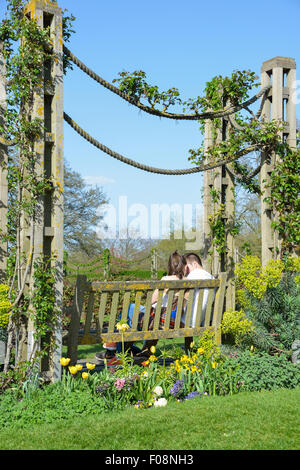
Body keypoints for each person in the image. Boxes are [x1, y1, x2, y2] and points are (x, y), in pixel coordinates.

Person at [181, 252, 214, 351]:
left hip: (187, 321)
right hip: (203, 319)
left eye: (187, 267)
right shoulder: (211, 277)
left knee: (157, 317)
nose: (186, 271)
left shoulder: (194, 275)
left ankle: (145, 351)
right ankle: (188, 349)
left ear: (194, 264)